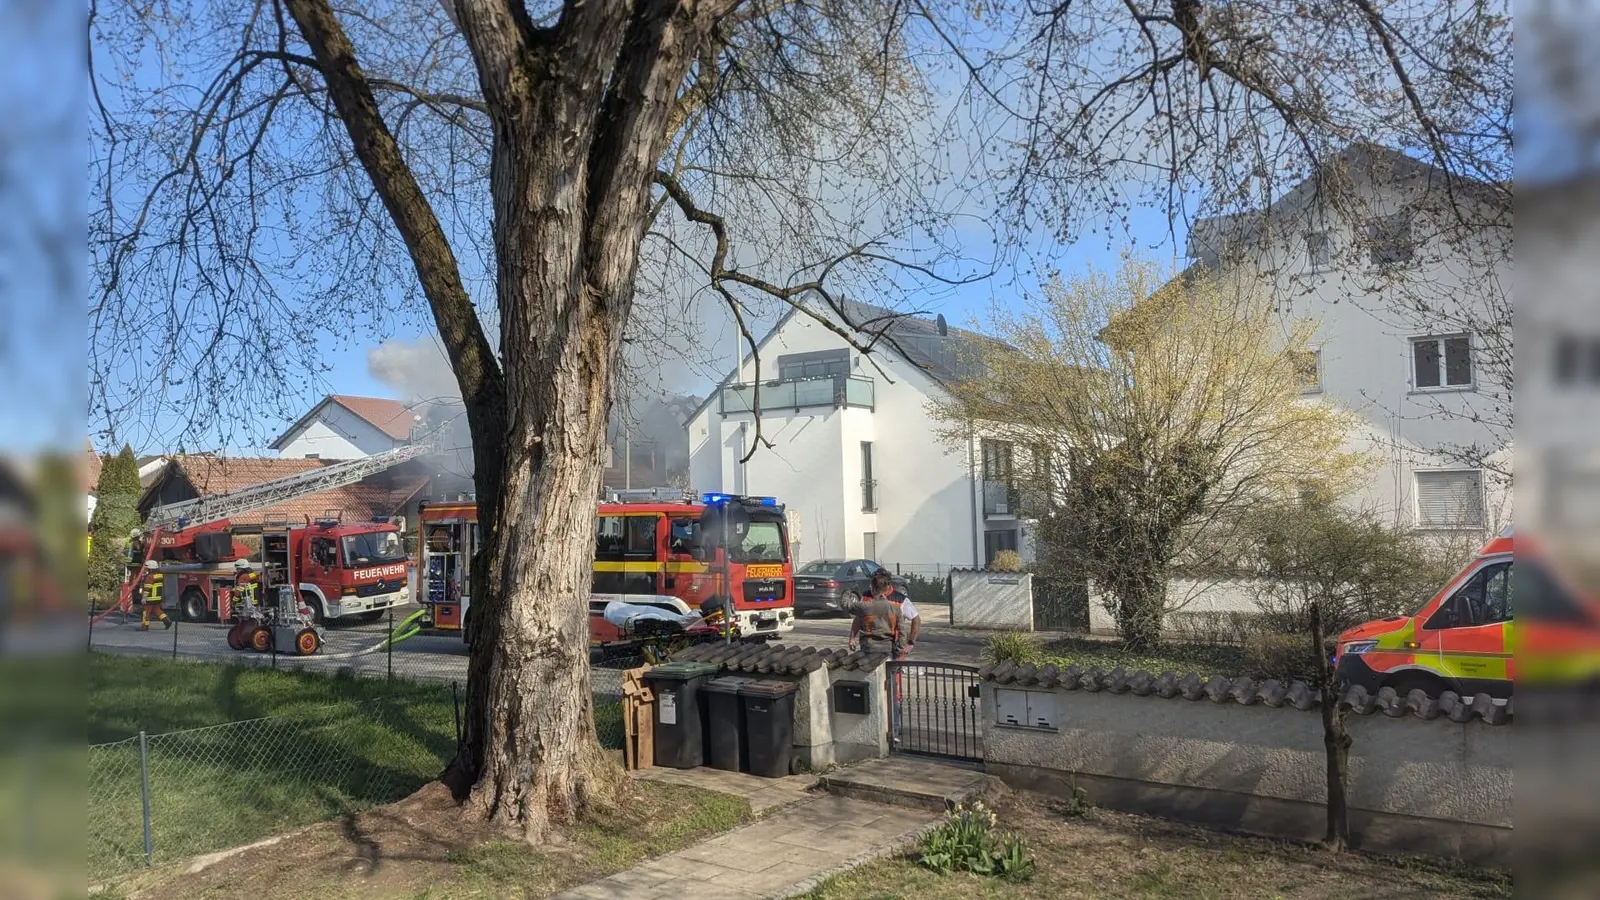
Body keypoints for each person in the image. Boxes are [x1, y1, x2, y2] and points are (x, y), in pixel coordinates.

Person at [139, 559, 172, 631]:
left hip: (150, 598)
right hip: (158, 598)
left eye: (147, 568)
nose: (145, 569)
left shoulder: (150, 577)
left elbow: (147, 588)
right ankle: (167, 620)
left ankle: (145, 626)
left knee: (146, 612)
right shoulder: (160, 575)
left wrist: (144, 598)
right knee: (157, 611)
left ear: (150, 568)